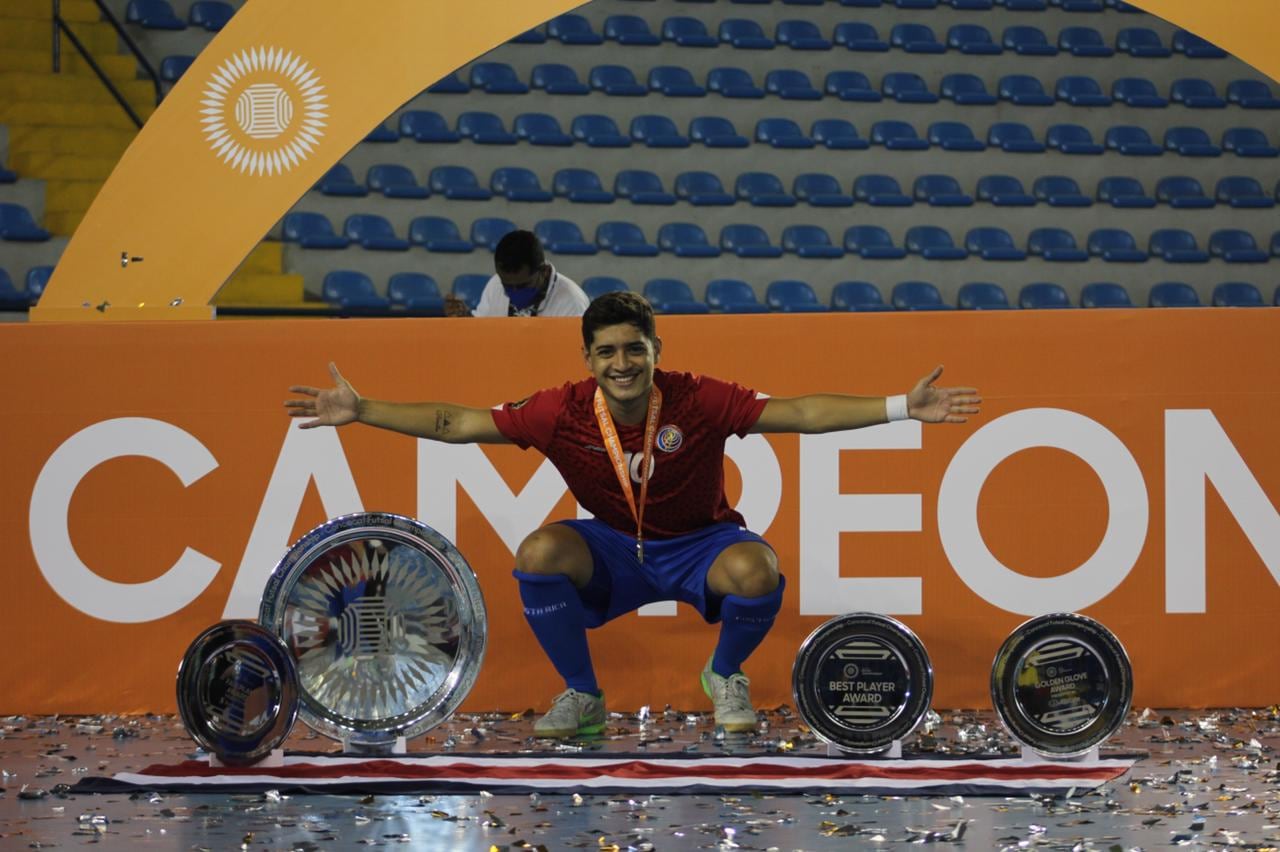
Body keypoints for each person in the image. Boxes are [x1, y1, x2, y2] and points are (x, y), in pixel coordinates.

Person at [285, 292, 981, 738]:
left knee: (757, 569)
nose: (622, 363)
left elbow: (800, 412)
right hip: (616, 548)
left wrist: (901, 407)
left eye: (634, 349)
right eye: (607, 352)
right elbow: (456, 422)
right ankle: (583, 697)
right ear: (588, 358)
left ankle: (724, 674)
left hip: (700, 544)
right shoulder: (559, 411)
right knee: (538, 553)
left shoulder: (697, 398)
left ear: (656, 351)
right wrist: (362, 410)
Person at [444, 229, 589, 318]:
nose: (514, 293)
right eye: (507, 286)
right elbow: (483, 333)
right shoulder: (496, 284)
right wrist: (465, 318)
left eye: (523, 286)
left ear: (544, 272)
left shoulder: (572, 302)